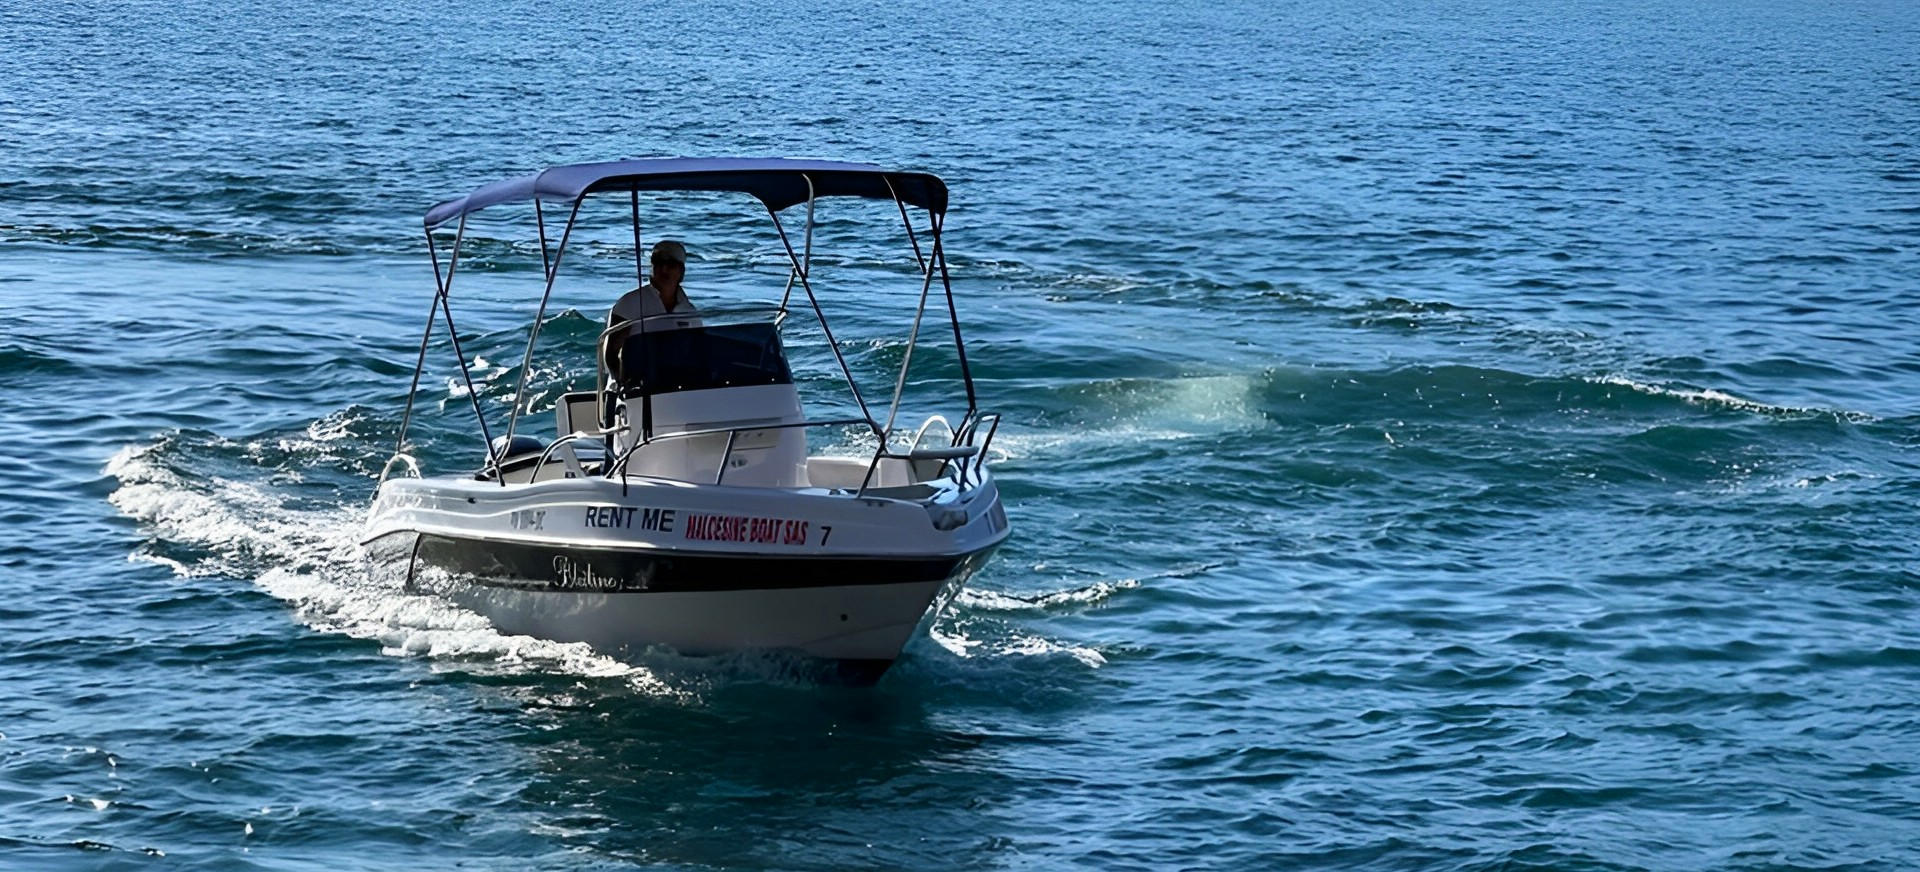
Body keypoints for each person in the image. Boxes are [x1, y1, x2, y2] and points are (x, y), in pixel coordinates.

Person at [609, 239, 698, 328]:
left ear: (681, 270)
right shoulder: (629, 303)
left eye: (670, 264)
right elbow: (612, 341)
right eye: (658, 263)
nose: (663, 270)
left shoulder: (690, 312)